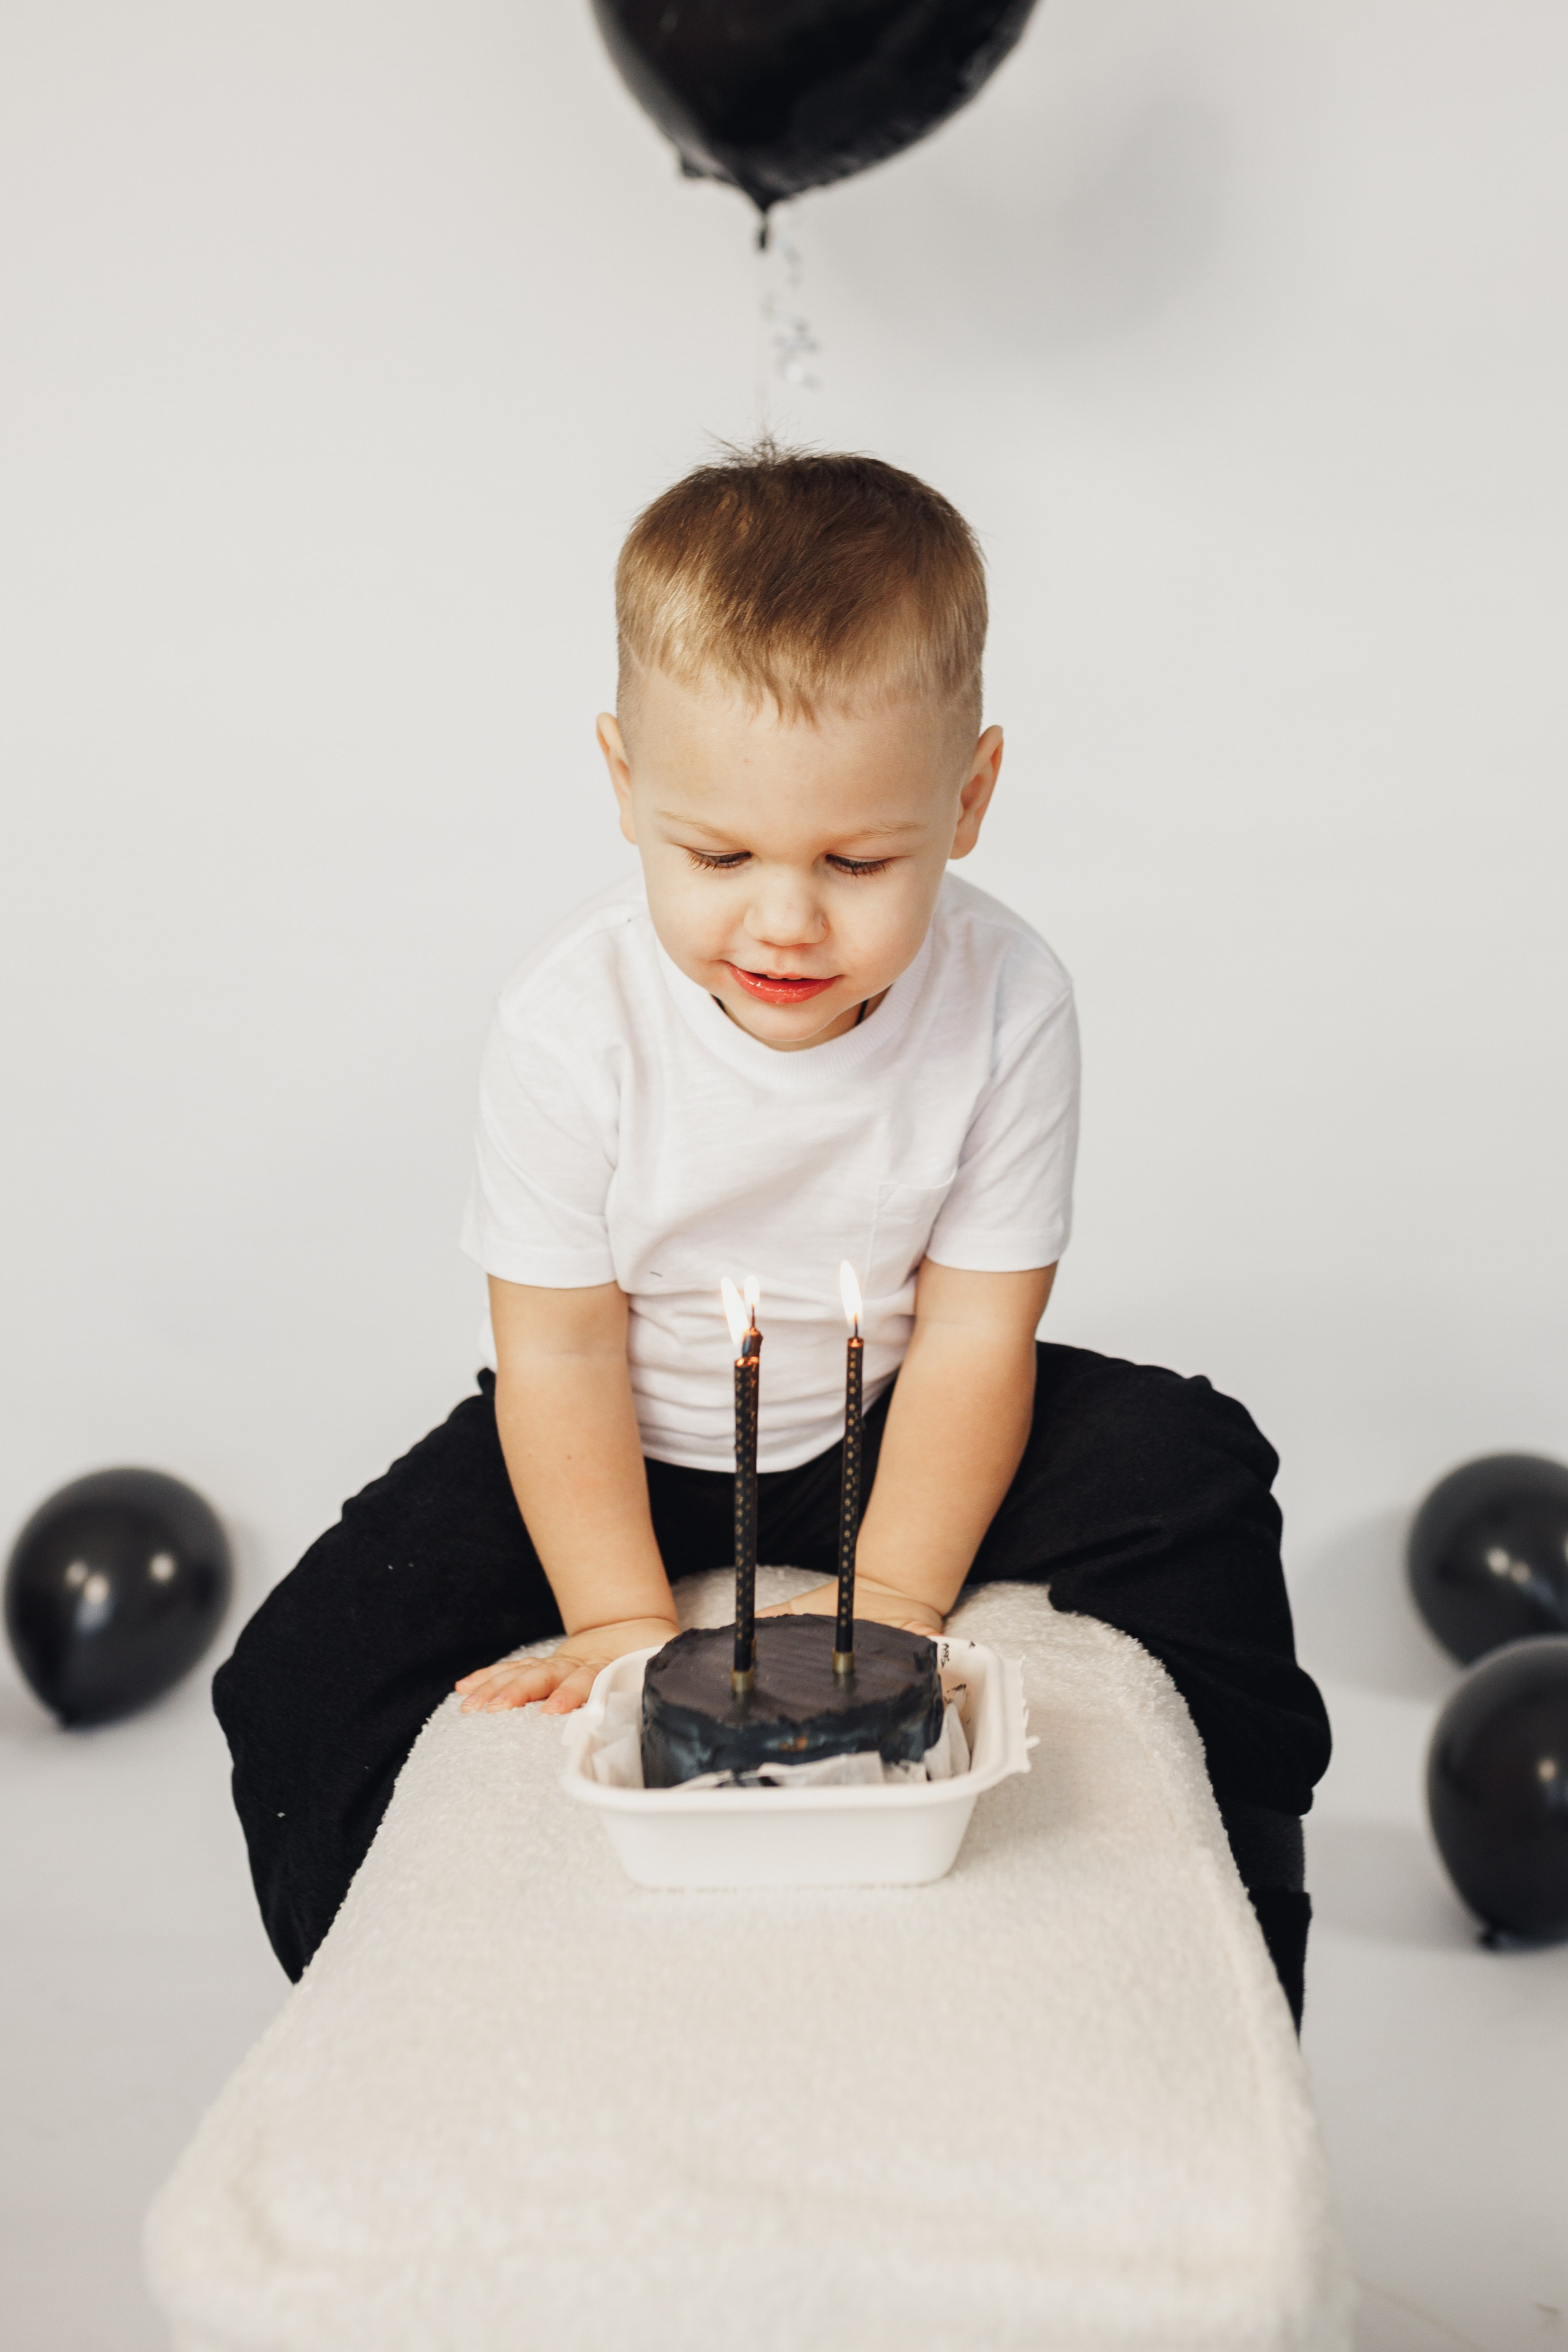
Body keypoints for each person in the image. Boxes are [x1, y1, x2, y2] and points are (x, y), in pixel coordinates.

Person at [214, 445, 1330, 2022]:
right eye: (719, 855)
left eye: (858, 862)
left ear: (970, 795)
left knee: (1191, 1468)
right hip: (617, 1424)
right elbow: (553, 1347)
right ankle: (415, 2021)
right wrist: (613, 1616)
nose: (786, 921)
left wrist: (891, 1601)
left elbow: (974, 1335)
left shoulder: (1011, 1000)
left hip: (887, 1416)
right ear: (622, 786)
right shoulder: (566, 1025)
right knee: (303, 1666)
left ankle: (1226, 1952)